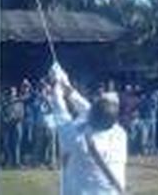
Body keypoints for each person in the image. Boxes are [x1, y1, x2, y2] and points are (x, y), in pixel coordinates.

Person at [50, 63, 126, 195]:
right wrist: (67, 86)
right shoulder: (119, 133)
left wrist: (56, 84)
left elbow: (60, 111)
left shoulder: (77, 139)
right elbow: (89, 109)